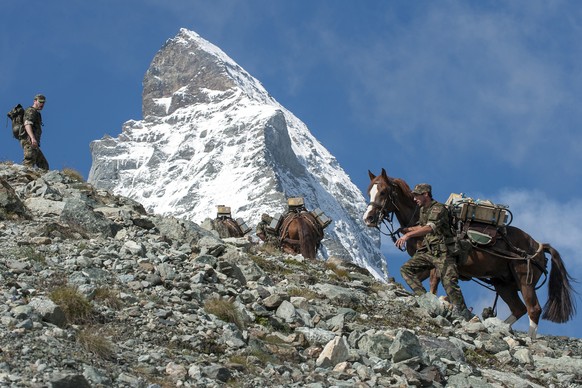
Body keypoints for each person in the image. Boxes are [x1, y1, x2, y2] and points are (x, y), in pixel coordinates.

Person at [396, 183, 473, 321]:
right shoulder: (423, 209)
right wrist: (408, 230)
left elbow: (429, 228)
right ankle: (427, 300)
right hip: (428, 251)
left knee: (449, 283)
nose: (414, 199)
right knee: (406, 269)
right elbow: (422, 225)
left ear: (426, 194)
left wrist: (408, 236)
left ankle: (463, 314)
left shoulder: (438, 208)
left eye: (417, 195)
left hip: (444, 252)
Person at [21, 94, 49, 170]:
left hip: (34, 143)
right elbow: (27, 123)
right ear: (35, 101)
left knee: (44, 166)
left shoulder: (37, 113)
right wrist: (32, 138)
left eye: (43, 102)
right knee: (29, 162)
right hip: (29, 141)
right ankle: (22, 179)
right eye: (40, 102)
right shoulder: (31, 110)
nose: (42, 104)